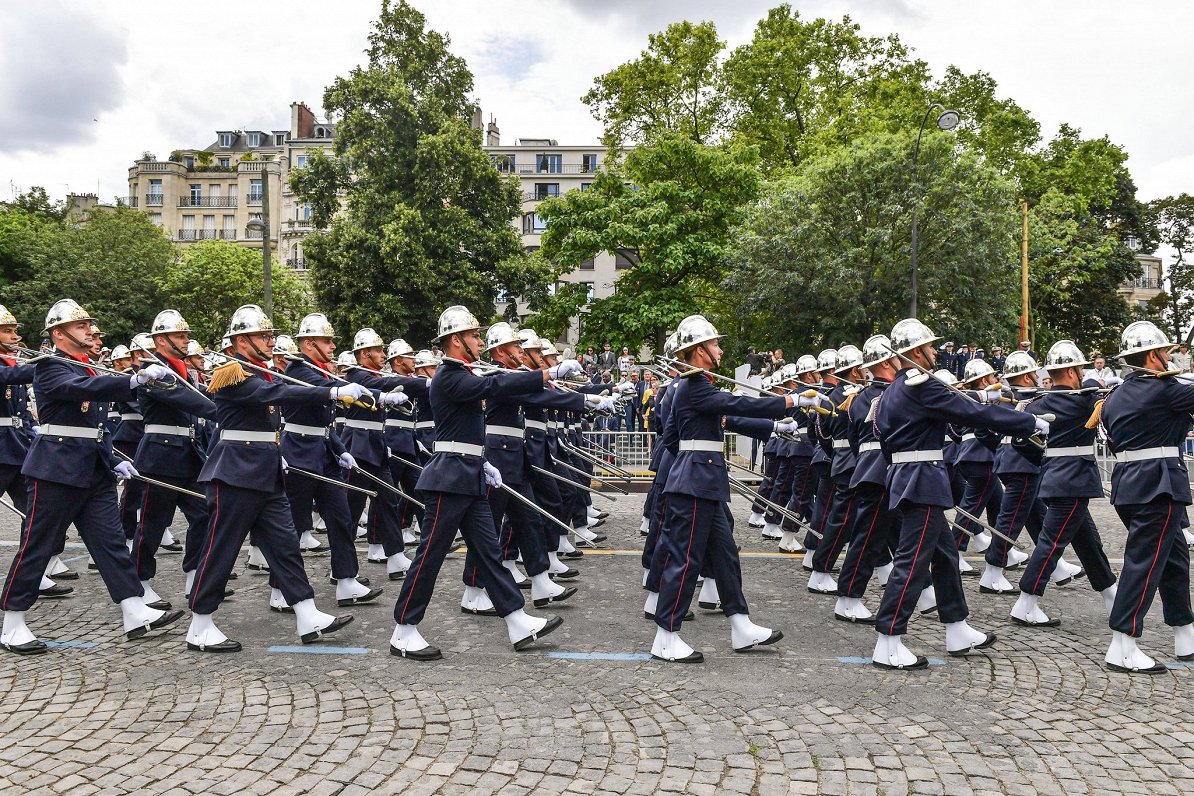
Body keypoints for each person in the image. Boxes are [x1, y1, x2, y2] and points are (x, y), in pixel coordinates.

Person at [0, 299, 184, 654]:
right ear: (59, 334)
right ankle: (12, 620)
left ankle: (133, 610)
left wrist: (113, 458)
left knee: (111, 543)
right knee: (37, 545)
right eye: (82, 326)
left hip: (93, 470)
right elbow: (80, 393)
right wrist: (133, 381)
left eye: (89, 325)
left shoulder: (86, 366)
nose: (90, 331)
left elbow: (96, 427)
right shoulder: (51, 366)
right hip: (56, 471)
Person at [388, 306, 572, 661]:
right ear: (456, 341)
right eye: (473, 336)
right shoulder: (450, 375)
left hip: (468, 473)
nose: (478, 341)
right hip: (449, 478)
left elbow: (467, 426)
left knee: (489, 554)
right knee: (430, 555)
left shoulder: (462, 374)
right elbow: (494, 383)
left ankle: (518, 620)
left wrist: (483, 461)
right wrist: (545, 374)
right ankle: (403, 630)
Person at [185, 304, 361, 652]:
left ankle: (307, 612)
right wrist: (330, 392)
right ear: (242, 340)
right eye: (263, 336)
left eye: (269, 335)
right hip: (235, 474)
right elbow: (275, 395)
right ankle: (200, 624)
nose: (270, 341)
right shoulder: (231, 372)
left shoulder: (261, 371)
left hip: (265, 473)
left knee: (285, 547)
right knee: (221, 550)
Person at [870, 318, 1040, 670]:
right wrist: (1029, 422)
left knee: (945, 557)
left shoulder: (892, 392)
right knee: (912, 562)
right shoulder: (920, 387)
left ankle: (957, 627)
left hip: (909, 478)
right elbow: (973, 413)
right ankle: (887, 641)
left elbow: (887, 446)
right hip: (921, 482)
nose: (935, 352)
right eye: (930, 347)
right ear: (916, 352)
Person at [651, 314, 810, 662]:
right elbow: (738, 404)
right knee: (685, 559)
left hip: (701, 481)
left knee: (725, 556)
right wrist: (791, 402)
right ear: (698, 350)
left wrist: (773, 424)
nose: (720, 350)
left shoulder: (696, 387)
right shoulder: (694, 387)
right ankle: (666, 635)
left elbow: (681, 435)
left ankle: (740, 624)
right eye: (714, 344)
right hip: (694, 484)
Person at [1099, 321, 1194, 673]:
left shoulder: (1115, 397)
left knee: (1173, 559)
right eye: (1167, 353)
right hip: (1158, 485)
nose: (1171, 359)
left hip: (1129, 485)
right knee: (1145, 563)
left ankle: (1185, 633)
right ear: (1153, 356)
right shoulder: (1165, 390)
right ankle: (1122, 644)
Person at [1010, 340, 1117, 628]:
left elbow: (1019, 441)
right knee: (1051, 543)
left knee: (1088, 541)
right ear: (1071, 371)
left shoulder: (1038, 402)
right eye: (1080, 369)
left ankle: (1111, 592)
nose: (1082, 373)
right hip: (1074, 480)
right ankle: (1026, 602)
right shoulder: (1085, 400)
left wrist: (1045, 459)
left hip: (1056, 476)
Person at [128, 309, 218, 610]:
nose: (186, 341)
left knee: (205, 514)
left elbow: (200, 393)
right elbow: (186, 399)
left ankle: (194, 572)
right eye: (180, 336)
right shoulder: (152, 370)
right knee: (152, 524)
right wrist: (224, 410)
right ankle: (139, 583)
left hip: (188, 454)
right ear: (161, 340)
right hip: (159, 455)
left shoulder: (181, 370)